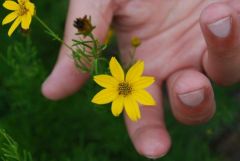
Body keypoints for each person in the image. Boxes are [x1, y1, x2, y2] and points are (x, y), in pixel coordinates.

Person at [41, 0, 240, 159]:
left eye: (124, 87)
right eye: (123, 88)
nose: (124, 88)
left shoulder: (132, 79)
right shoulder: (118, 84)